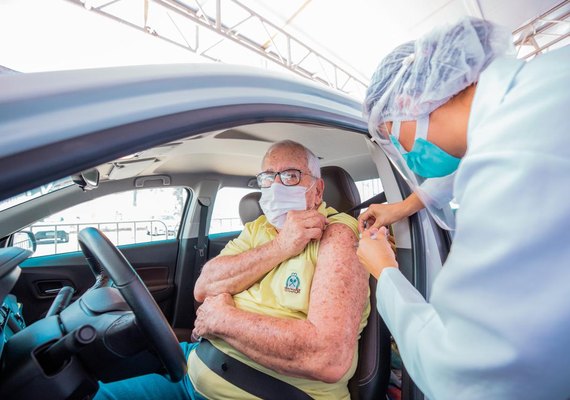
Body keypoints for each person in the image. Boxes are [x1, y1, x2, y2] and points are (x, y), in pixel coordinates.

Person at [357, 17, 570, 400]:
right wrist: (400, 208)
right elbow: (448, 178)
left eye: (391, 135)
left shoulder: (511, 162)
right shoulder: (538, 91)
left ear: (412, 103)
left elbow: (465, 374)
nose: (403, 155)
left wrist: (384, 271)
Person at [96, 140, 370, 400]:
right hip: (195, 367)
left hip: (265, 390)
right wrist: (281, 245)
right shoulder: (258, 228)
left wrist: (222, 320)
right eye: (267, 177)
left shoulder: (339, 236)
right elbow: (205, 286)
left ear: (318, 190)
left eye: (290, 175)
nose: (276, 186)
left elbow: (328, 358)